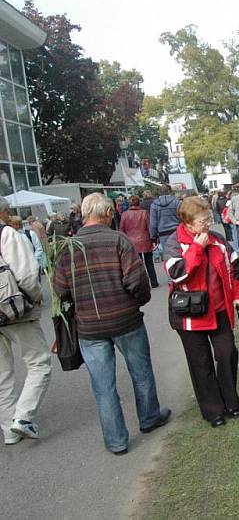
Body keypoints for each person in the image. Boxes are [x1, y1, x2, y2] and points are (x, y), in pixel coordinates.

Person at [53, 194, 171, 455]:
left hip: (89, 327)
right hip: (125, 319)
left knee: (103, 386)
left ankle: (116, 440)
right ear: (107, 213)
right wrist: (138, 301)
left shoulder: (68, 247)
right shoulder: (118, 240)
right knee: (140, 372)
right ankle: (149, 418)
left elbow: (60, 289)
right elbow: (136, 281)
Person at [163, 196, 239, 428]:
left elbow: (234, 266)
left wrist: (237, 295)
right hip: (190, 315)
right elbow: (178, 272)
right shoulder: (174, 244)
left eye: (208, 219)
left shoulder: (218, 240)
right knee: (201, 364)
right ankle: (213, 410)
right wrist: (197, 248)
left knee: (227, 353)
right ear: (188, 224)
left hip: (218, 310)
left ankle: (230, 401)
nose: (208, 224)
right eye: (202, 221)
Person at [0, 198, 51, 445]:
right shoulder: (7, 233)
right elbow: (28, 275)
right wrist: (35, 299)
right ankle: (22, 418)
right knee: (39, 363)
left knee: (2, 376)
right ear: (4, 211)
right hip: (15, 309)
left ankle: (9, 430)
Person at [120, 195, 159, 288]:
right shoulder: (144, 213)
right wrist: (154, 239)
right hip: (145, 240)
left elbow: (122, 229)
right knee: (149, 262)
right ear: (139, 202)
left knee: (138, 265)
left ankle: (143, 284)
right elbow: (150, 227)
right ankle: (154, 282)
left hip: (131, 242)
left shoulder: (125, 214)